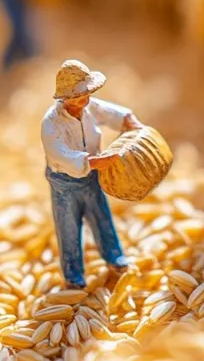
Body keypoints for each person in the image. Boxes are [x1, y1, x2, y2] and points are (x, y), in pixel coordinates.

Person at [41, 59, 143, 289]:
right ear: (65, 99)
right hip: (64, 183)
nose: (85, 101)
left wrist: (128, 119)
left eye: (86, 96)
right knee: (68, 228)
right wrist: (94, 161)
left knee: (102, 217)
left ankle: (115, 259)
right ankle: (73, 276)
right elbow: (60, 155)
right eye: (79, 98)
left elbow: (109, 112)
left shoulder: (89, 106)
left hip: (92, 178)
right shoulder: (50, 123)